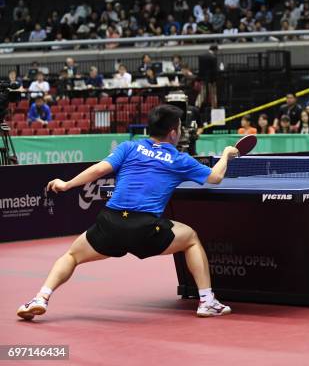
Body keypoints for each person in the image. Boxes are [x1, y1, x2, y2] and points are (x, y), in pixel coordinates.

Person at [17, 105, 239, 320]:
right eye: (179, 128)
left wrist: (67, 184)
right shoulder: (180, 160)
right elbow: (215, 177)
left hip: (110, 222)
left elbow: (99, 169)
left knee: (72, 256)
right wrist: (227, 154)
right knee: (190, 237)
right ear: (173, 133)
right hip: (144, 229)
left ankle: (40, 298)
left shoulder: (129, 147)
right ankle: (207, 301)